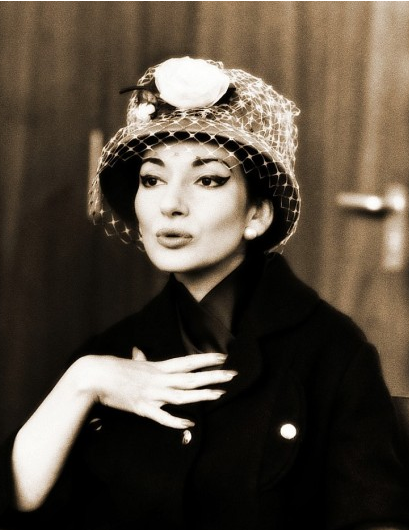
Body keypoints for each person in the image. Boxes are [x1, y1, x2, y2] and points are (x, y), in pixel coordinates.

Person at [0, 56, 408, 530]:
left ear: (257, 214)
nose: (170, 204)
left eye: (208, 179)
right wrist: (84, 381)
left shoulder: (332, 351)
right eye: (151, 179)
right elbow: (22, 502)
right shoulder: (111, 353)